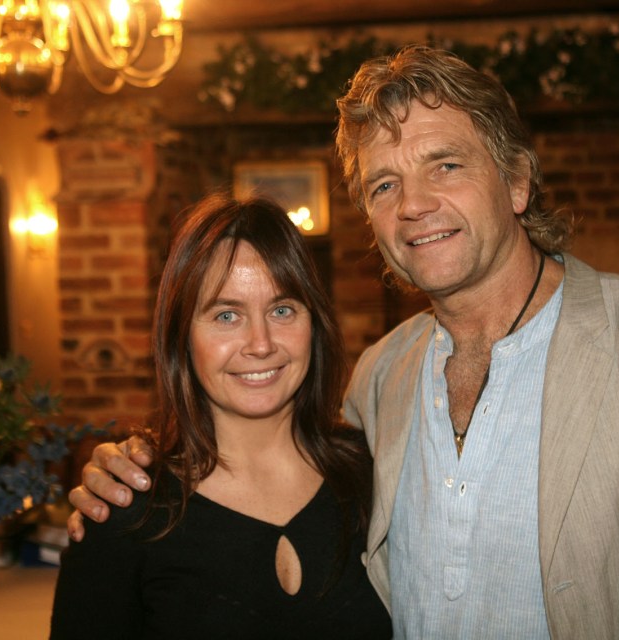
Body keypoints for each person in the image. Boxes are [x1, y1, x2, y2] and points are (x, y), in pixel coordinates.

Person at [68, 46, 619, 638]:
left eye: (445, 164)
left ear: (517, 183)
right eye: (382, 184)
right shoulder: (379, 379)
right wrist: (130, 461)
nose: (415, 205)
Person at [50, 195, 391, 639]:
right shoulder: (125, 510)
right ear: (181, 339)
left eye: (282, 310)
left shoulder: (371, 477)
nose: (261, 343)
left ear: (315, 324)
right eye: (227, 315)